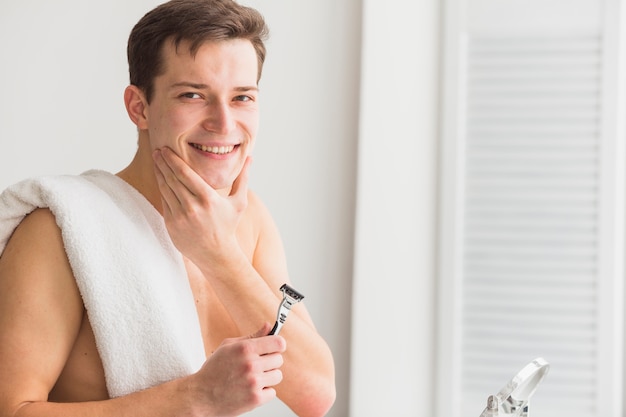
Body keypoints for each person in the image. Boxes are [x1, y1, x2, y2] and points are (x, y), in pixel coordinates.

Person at [0, 1, 336, 416]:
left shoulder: (250, 221)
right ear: (138, 107)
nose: (225, 124)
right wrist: (196, 397)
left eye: (243, 97)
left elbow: (316, 394)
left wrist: (219, 256)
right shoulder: (60, 229)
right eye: (193, 95)